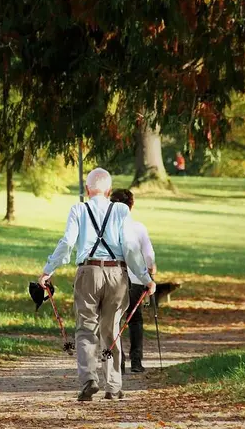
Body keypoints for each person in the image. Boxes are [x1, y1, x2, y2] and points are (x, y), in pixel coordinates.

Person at [38, 168, 156, 402]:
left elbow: (67, 243)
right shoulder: (121, 210)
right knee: (112, 329)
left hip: (88, 272)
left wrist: (47, 271)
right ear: (109, 191)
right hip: (116, 273)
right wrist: (145, 278)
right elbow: (131, 249)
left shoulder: (79, 209)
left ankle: (89, 380)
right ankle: (113, 385)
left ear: (87, 189)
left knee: (85, 328)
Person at [110, 189, 155, 374]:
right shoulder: (138, 228)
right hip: (136, 279)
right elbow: (148, 255)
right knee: (135, 320)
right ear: (131, 205)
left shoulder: (108, 229)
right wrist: (151, 272)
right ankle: (136, 361)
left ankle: (118, 362)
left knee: (115, 319)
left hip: (114, 278)